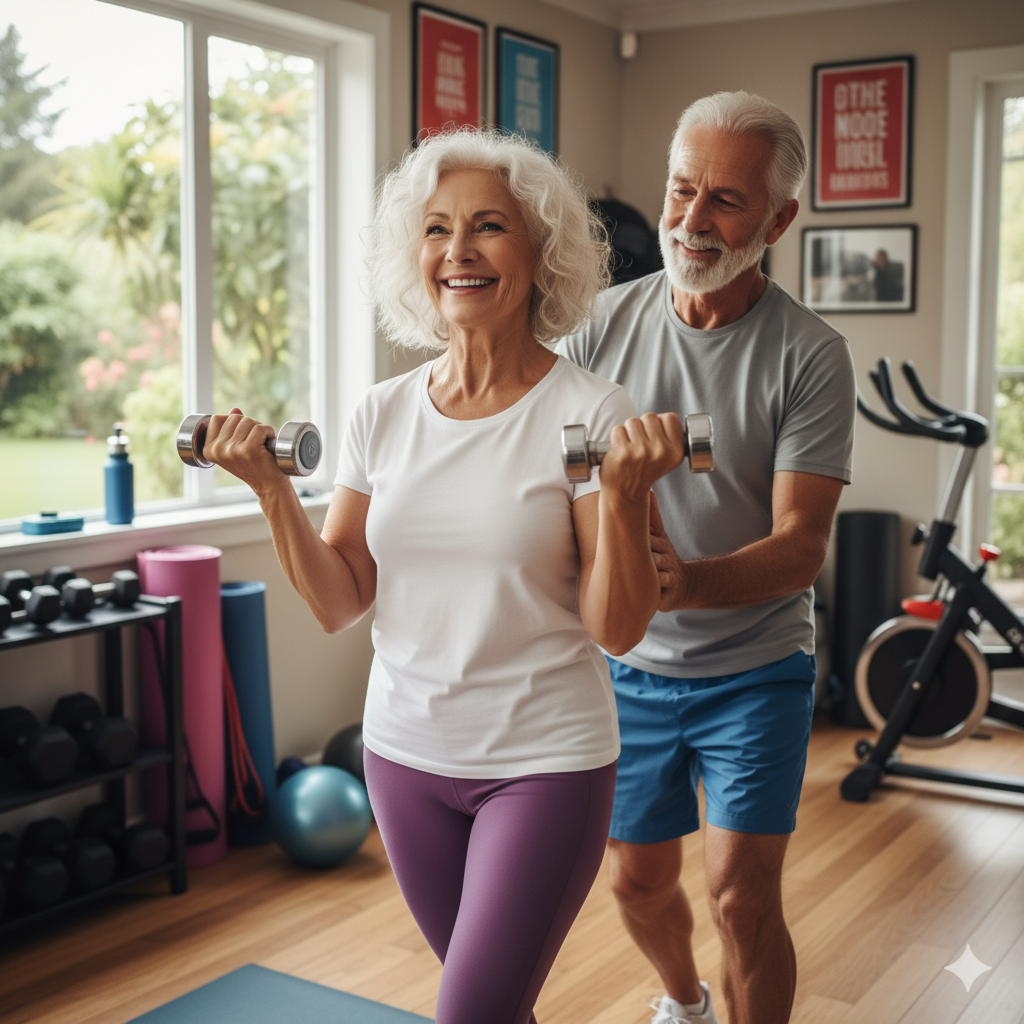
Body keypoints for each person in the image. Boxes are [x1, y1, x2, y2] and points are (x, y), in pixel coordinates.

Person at [200, 129, 686, 1024]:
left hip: (543, 763)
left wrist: (621, 499)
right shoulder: (381, 415)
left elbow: (615, 628)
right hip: (403, 758)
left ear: (541, 254)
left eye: (488, 227)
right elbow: (342, 600)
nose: (457, 251)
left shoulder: (588, 413)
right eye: (436, 230)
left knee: (472, 1012)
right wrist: (273, 491)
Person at [557, 91, 856, 1024]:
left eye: (725, 200)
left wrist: (685, 585)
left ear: (779, 219)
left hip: (756, 667)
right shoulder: (600, 327)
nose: (691, 220)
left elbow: (803, 545)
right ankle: (683, 1002)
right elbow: (553, 478)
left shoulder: (810, 355)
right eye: (683, 189)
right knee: (636, 885)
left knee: (740, 894)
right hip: (628, 669)